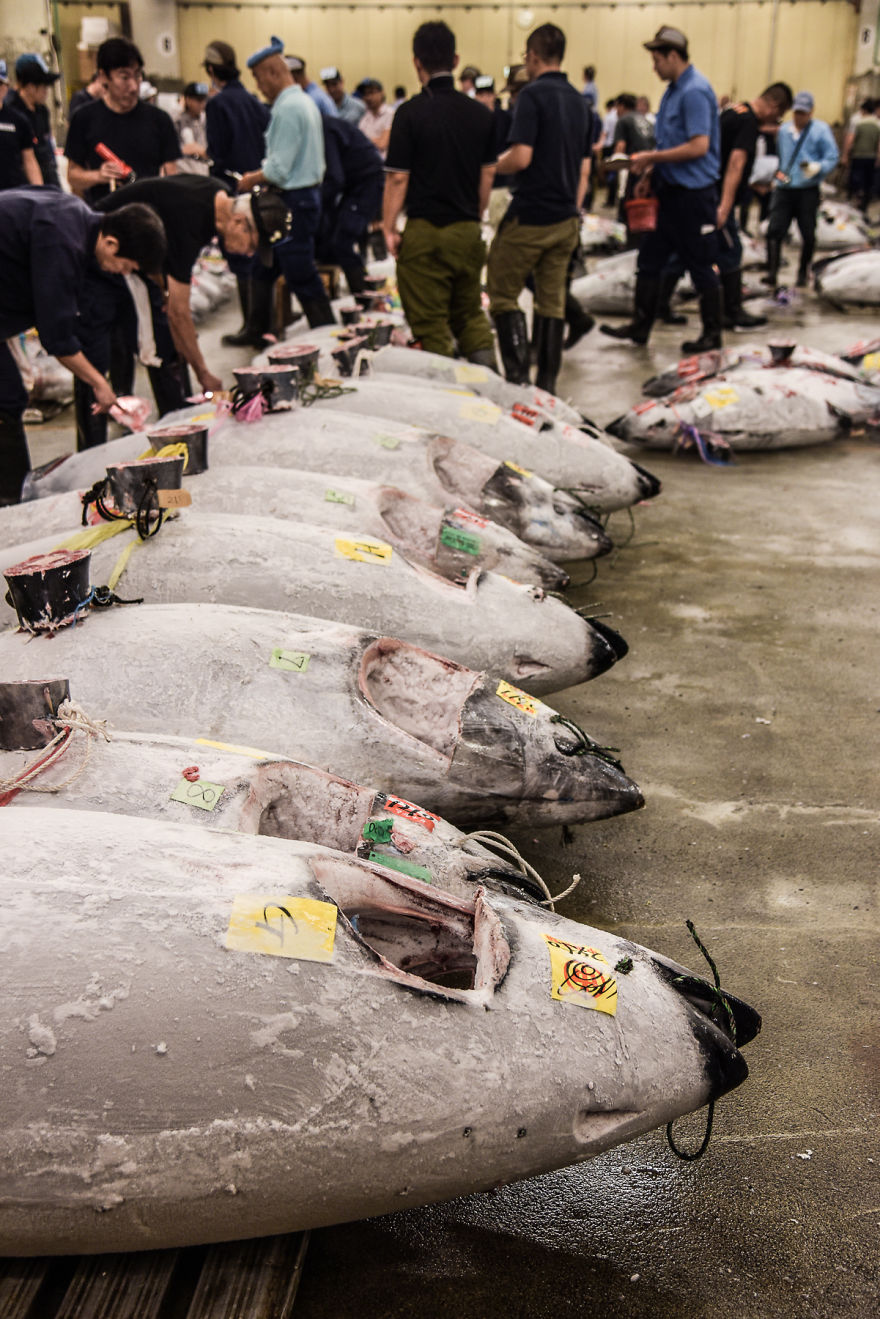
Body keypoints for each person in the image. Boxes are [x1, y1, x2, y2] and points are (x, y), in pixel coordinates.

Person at [0, 187, 166, 501]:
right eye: (126, 267)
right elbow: (57, 337)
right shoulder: (63, 242)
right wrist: (99, 383)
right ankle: (12, 502)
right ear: (111, 243)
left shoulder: (76, 217)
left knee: (8, 396)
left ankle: (14, 495)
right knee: (6, 398)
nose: (123, 273)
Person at [81, 175, 266, 446]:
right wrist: (204, 374)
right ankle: (91, 456)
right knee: (104, 355)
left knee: (165, 340)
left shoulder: (216, 193)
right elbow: (179, 313)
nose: (249, 253)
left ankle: (180, 428)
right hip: (102, 254)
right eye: (252, 244)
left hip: (132, 258)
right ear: (239, 223)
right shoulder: (190, 222)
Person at [600, 26, 722, 354]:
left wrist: (651, 157)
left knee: (700, 263)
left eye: (657, 59)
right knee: (649, 259)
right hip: (669, 190)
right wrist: (651, 171)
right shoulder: (672, 91)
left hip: (694, 196)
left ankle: (713, 333)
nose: (653, 66)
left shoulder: (694, 91)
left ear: (673, 56)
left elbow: (699, 146)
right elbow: (671, 142)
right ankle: (640, 327)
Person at [486, 23, 593, 393]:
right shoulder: (581, 102)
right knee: (552, 301)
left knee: (500, 292)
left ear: (532, 56)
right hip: (566, 218)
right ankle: (546, 388)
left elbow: (521, 157)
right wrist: (573, 210)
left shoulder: (532, 96)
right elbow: (584, 170)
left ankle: (518, 383)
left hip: (530, 215)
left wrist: (488, 165)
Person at [383, 20, 496, 363]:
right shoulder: (481, 115)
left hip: (425, 234)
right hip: (466, 230)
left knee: (431, 324)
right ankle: (491, 394)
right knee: (470, 313)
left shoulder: (408, 114)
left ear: (417, 62)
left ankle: (450, 402)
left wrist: (388, 228)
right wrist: (472, 218)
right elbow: (487, 176)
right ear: (456, 59)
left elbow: (398, 179)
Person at [238, 36, 335, 328]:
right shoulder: (301, 101)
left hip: (293, 202)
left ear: (273, 72)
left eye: (258, 78)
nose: (258, 86)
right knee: (264, 266)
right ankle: (257, 329)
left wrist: (250, 179)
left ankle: (326, 332)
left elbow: (279, 170)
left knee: (300, 272)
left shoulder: (289, 107)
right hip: (300, 199)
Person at [203, 39, 273, 347]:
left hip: (232, 189)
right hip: (259, 187)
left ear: (211, 70)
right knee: (259, 255)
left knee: (241, 254)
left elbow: (217, 153)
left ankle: (251, 327)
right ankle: (262, 326)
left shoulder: (218, 104)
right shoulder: (254, 102)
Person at [65, 37, 179, 203]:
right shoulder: (83, 118)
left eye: (138, 76)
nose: (133, 86)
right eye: (124, 77)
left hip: (150, 216)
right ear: (103, 77)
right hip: (104, 217)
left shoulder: (159, 119)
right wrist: (98, 175)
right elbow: (73, 176)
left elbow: (172, 175)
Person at [716, 82, 792, 326]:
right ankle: (731, 311)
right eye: (778, 114)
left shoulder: (732, 111)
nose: (775, 119)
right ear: (773, 105)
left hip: (708, 192)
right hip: (717, 197)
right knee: (731, 251)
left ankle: (661, 307)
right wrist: (726, 205)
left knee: (689, 249)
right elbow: (735, 163)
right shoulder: (748, 121)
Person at [763, 91, 838, 288]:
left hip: (807, 190)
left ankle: (802, 272)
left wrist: (819, 168)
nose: (799, 116)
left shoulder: (820, 131)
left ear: (811, 112)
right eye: (796, 112)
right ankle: (772, 272)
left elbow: (832, 156)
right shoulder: (784, 132)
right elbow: (781, 160)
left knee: (808, 233)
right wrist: (778, 178)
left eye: (803, 113)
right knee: (774, 231)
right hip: (784, 190)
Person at [318, 116, 383, 292]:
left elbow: (335, 178)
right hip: (354, 185)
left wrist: (319, 202)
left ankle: (364, 296)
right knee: (331, 239)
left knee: (342, 241)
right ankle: (365, 288)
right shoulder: (321, 125)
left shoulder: (324, 128)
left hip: (368, 183)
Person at [6, 53, 60, 187]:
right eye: (43, 86)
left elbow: (47, 150)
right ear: (30, 86)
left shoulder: (42, 111)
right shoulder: (12, 115)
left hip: (48, 179)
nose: (46, 92)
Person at [0, 61, 41, 190]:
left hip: (12, 196)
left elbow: (29, 160)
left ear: (6, 87)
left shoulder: (18, 120)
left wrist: (40, 193)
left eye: (1, 84)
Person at [841, 99, 879, 215]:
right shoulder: (878, 124)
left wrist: (845, 155)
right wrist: (878, 157)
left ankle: (851, 203)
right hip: (871, 158)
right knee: (868, 182)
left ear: (864, 110)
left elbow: (850, 139)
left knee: (855, 179)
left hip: (858, 156)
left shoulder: (858, 122)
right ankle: (863, 206)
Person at [174, 82, 210, 175]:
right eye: (198, 100)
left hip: (204, 168)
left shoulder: (206, 119)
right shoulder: (177, 120)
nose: (202, 104)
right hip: (183, 169)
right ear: (188, 99)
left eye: (204, 100)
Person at [358, 79, 394, 157]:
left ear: (382, 93)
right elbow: (357, 142)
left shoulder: (390, 114)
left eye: (371, 92)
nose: (368, 97)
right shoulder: (365, 117)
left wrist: (364, 140)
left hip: (383, 164)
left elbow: (382, 144)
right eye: (365, 94)